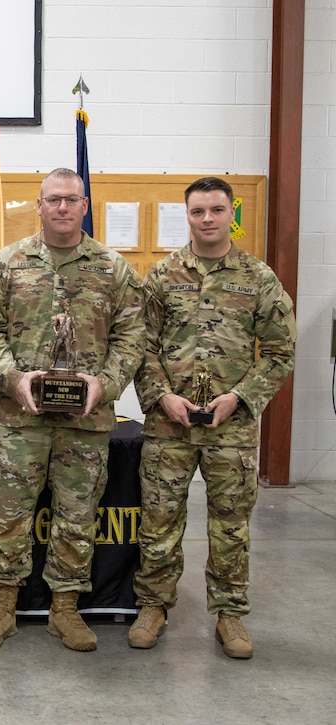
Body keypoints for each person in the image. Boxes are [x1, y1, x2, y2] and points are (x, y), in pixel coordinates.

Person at [0, 167, 144, 652]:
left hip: (85, 422)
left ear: (84, 206)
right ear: (39, 205)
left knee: (77, 515)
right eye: (54, 200)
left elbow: (133, 337)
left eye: (72, 199)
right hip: (18, 419)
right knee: (7, 513)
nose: (63, 208)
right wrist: (14, 378)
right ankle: (2, 608)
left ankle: (64, 610)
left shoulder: (114, 269)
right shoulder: (8, 264)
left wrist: (104, 384)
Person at [127, 176, 296, 659]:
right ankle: (153, 606)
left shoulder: (258, 278)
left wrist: (240, 397)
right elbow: (142, 348)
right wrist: (161, 397)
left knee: (230, 524)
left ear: (231, 214)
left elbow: (280, 350)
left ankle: (231, 615)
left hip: (232, 427)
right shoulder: (161, 277)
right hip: (169, 425)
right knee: (159, 519)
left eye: (216, 210)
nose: (207, 219)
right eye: (198, 211)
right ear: (188, 215)